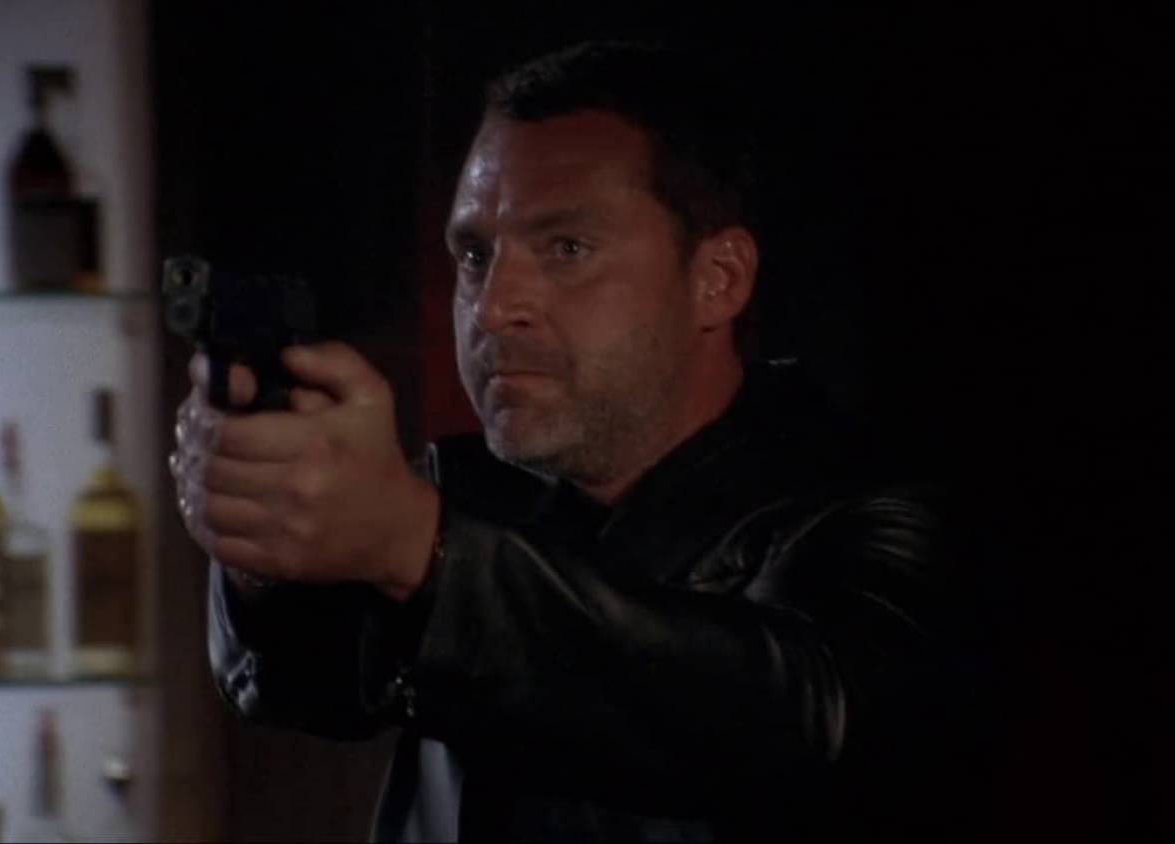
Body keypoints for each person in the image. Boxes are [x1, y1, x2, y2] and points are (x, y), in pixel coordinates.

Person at [171, 40, 983, 843]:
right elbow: (302, 685)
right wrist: (264, 536)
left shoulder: (870, 511)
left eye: (567, 249)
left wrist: (419, 546)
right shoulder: (469, 492)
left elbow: (804, 724)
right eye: (475, 255)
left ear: (719, 279)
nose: (494, 307)